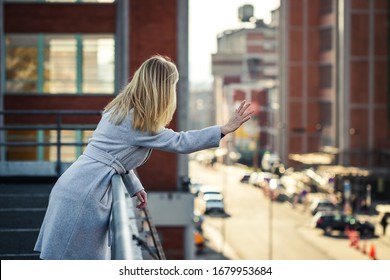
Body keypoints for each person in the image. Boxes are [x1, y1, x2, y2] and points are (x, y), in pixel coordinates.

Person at [34, 55, 254, 260]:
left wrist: (134, 186)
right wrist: (224, 129)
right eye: (172, 86)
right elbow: (181, 142)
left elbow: (115, 158)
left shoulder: (121, 109)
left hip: (77, 184)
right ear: (162, 89)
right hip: (86, 193)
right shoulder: (138, 120)